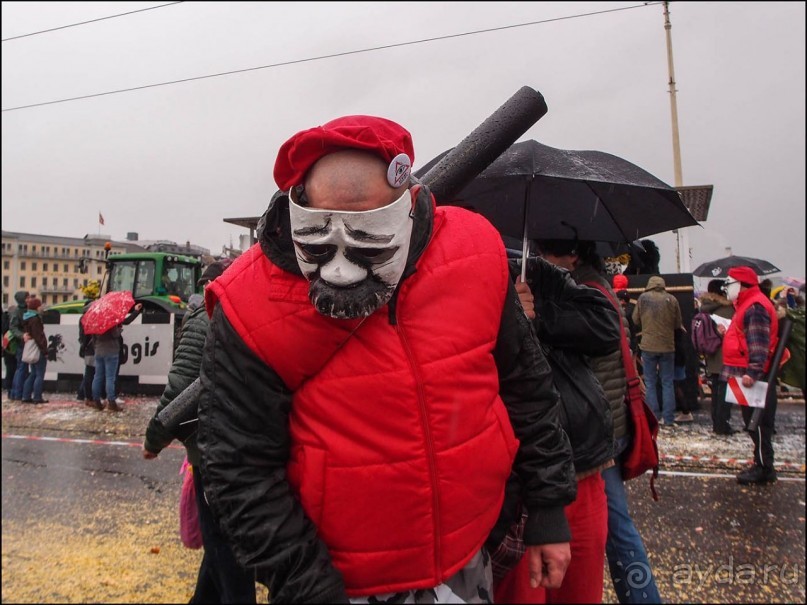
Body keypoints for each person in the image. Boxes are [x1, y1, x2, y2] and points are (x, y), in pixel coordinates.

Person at [195, 115, 577, 603]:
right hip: (335, 582)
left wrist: (547, 508)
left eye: (367, 243)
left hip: (470, 554)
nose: (338, 269)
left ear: (409, 207)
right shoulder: (249, 301)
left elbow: (526, 384)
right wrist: (307, 587)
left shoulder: (474, 254)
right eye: (319, 243)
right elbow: (237, 465)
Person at [525, 239, 662, 604]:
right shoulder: (589, 284)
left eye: (549, 254)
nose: (543, 260)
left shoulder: (583, 288)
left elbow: (601, 338)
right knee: (616, 529)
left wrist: (537, 317)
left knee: (616, 530)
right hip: (596, 427)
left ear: (572, 255)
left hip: (592, 434)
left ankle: (643, 596)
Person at [495, 242, 617, 605]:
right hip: (512, 482)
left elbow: (605, 326)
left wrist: (539, 316)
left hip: (580, 463)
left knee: (580, 590)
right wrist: (506, 319)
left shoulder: (537, 273)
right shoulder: (454, 270)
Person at [142, 259, 255, 604]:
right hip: (250, 445)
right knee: (223, 542)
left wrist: (155, 438)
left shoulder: (205, 316)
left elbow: (183, 385)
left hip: (214, 448)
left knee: (224, 546)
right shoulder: (248, 308)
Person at [720, 267, 780, 485]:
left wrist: (753, 371)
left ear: (741, 284)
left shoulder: (754, 307)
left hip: (753, 375)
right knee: (754, 422)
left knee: (759, 422)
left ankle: (765, 468)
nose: (725, 288)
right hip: (747, 372)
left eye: (728, 284)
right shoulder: (749, 304)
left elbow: (759, 343)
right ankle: (761, 463)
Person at [632, 276, 683, 426]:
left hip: (648, 346)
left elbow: (635, 320)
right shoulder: (671, 299)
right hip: (667, 346)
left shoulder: (643, 298)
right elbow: (677, 323)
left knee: (650, 382)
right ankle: (668, 418)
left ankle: (653, 417)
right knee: (667, 382)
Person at [90, 302, 143, 412]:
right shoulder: (111, 320)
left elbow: (93, 338)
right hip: (111, 351)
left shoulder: (96, 321)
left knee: (98, 376)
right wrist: (119, 329)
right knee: (110, 377)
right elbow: (115, 334)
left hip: (99, 351)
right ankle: (111, 402)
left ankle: (96, 400)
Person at [699, 279, 736, 435]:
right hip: (725, 356)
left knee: (715, 393)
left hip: (710, 356)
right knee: (724, 394)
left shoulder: (703, 309)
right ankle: (722, 425)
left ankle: (716, 422)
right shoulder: (727, 310)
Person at [21, 297, 49, 404]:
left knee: (32, 373)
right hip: (37, 350)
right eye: (40, 305)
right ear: (36, 307)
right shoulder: (35, 319)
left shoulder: (27, 317)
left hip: (30, 348)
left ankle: (26, 395)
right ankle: (37, 397)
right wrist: (44, 350)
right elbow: (39, 337)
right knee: (39, 374)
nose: (41, 307)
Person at [9, 290, 31, 401]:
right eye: (27, 298)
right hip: (21, 344)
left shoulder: (25, 310)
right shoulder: (17, 311)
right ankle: (17, 393)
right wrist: (22, 335)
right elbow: (13, 328)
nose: (29, 299)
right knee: (21, 368)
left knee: (21, 368)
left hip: (24, 343)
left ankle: (16, 393)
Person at [2, 308, 19, 396]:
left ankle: (9, 389)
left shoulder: (4, 321)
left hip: (7, 349)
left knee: (10, 369)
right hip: (12, 348)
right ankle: (11, 389)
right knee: (14, 369)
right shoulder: (12, 325)